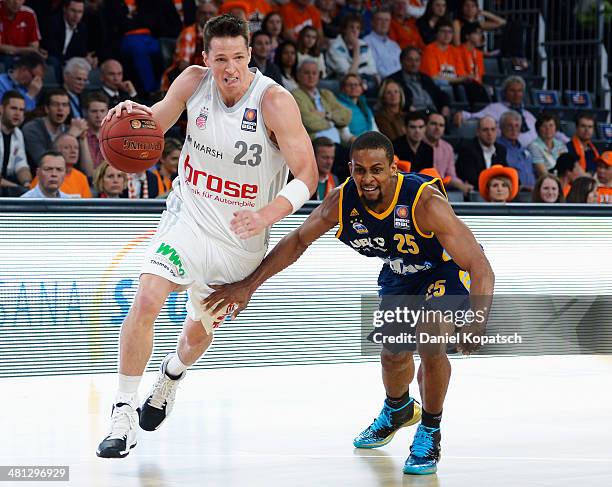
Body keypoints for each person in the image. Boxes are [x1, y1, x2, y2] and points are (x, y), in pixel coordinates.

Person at [202, 130, 495, 476]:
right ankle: (398, 409)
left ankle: (430, 430)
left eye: (376, 170)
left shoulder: (425, 203)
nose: (367, 179)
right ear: (350, 169)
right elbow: (297, 241)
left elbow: (479, 264)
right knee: (393, 353)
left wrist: (477, 319)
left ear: (393, 169)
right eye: (360, 170)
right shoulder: (341, 202)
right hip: (401, 272)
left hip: (446, 269)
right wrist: (248, 286)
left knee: (431, 339)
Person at [95, 14, 318, 459]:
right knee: (148, 295)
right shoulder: (193, 82)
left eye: (238, 57)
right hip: (189, 219)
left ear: (251, 55)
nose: (230, 67)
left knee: (196, 332)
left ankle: (171, 376)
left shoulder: (274, 102)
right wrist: (130, 115)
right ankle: (122, 413)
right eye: (221, 58)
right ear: (205, 58)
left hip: (241, 240)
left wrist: (269, 214)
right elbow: (152, 124)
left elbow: (309, 173)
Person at [387, 47, 451, 116]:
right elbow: (392, 100)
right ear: (401, 61)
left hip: (433, 113)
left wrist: (445, 106)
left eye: (417, 60)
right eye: (410, 60)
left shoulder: (425, 78)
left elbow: (441, 94)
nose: (414, 64)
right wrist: (407, 108)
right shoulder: (394, 80)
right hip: (413, 116)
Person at [325, 14, 379, 93]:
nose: (355, 31)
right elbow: (349, 75)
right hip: (341, 83)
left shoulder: (364, 45)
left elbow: (372, 69)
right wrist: (356, 48)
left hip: (364, 79)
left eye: (358, 28)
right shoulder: (335, 46)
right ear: (344, 29)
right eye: (351, 27)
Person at [424, 112, 472, 194]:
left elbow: (451, 175)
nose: (437, 128)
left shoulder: (447, 148)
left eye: (441, 125)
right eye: (433, 124)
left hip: (442, 189)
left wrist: (460, 184)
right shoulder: (417, 144)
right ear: (425, 126)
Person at [455, 115, 507, 188]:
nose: (489, 133)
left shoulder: (501, 150)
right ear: (478, 132)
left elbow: (505, 174)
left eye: (493, 129)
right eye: (485, 130)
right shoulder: (467, 150)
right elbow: (471, 179)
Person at [0, 90, 31, 191]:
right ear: (1, 109)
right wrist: (18, 188)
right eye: (13, 108)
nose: (18, 113)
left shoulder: (18, 133)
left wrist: (27, 184)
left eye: (21, 110)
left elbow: (21, 164)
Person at [497, 110, 536, 191]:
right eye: (509, 126)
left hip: (532, 194)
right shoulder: (497, 149)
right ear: (501, 127)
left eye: (517, 126)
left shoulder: (525, 149)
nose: (514, 129)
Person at [363, 8, 402, 79]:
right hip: (384, 82)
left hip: (399, 82)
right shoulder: (366, 42)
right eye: (380, 19)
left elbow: (401, 66)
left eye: (387, 20)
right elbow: (375, 68)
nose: (384, 23)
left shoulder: (394, 45)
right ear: (372, 22)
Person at [337, 73, 378, 138]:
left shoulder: (365, 106)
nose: (353, 87)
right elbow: (344, 135)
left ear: (361, 88)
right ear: (343, 88)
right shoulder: (339, 105)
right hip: (354, 145)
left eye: (356, 84)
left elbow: (375, 129)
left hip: (370, 142)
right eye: (349, 85)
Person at [528, 113, 567, 177]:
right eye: (544, 126)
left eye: (551, 125)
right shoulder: (533, 146)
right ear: (538, 129)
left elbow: (567, 166)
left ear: (556, 128)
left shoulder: (561, 144)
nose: (548, 129)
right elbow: (542, 173)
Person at [83, 91, 109, 170]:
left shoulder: (113, 134)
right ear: (86, 112)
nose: (98, 115)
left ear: (107, 112)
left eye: (102, 111)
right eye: (94, 111)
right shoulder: (80, 134)